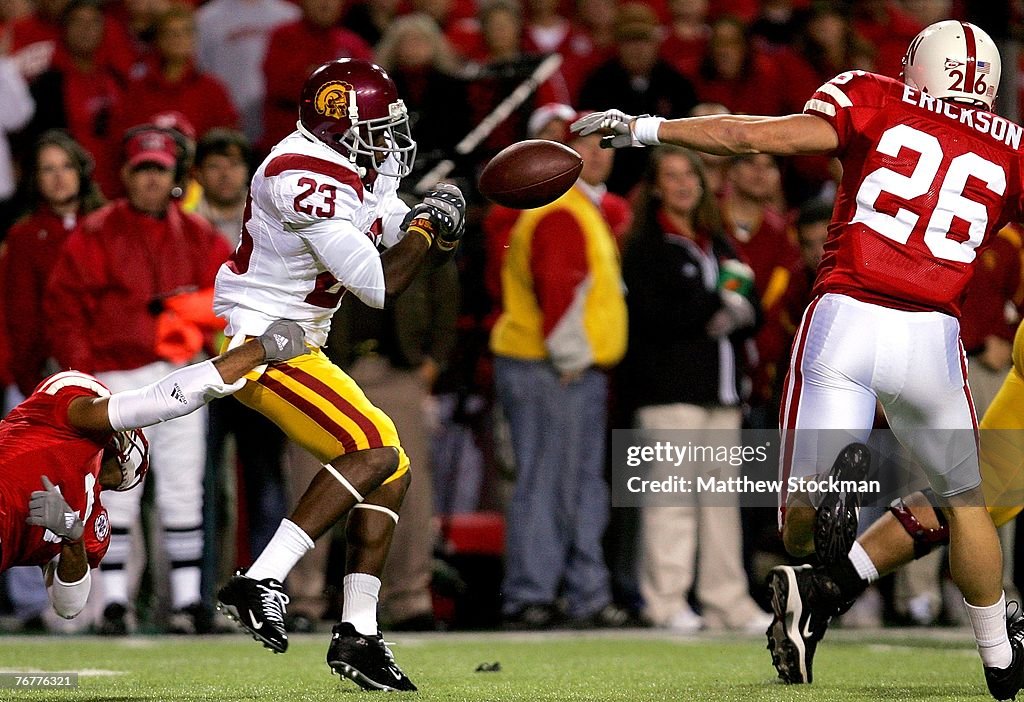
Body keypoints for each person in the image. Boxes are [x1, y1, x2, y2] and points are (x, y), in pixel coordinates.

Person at [573, 19, 1024, 700]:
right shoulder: (1014, 146)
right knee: (967, 505)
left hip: (850, 312)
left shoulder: (876, 96)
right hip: (934, 333)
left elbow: (751, 136)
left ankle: (824, 502)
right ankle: (999, 658)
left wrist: (642, 129)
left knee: (796, 524)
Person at [212, 57, 465, 692]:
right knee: (376, 450)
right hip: (264, 345)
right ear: (334, 126)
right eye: (377, 128)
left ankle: (358, 633)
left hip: (301, 344)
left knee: (394, 467)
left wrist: (426, 218)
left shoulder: (349, 170)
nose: (388, 141)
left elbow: (389, 227)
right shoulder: (300, 174)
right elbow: (380, 282)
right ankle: (261, 578)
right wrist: (430, 228)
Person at [44, 123, 232, 635]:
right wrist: (86, 378)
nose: (151, 179)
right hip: (117, 378)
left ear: (175, 175)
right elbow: (65, 309)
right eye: (142, 169)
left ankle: (189, 602)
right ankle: (113, 602)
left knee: (182, 487)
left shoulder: (200, 237)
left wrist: (200, 335)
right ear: (127, 175)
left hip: (183, 375)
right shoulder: (97, 231)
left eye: (160, 169)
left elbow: (229, 304)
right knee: (114, 490)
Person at [0, 323, 307, 620]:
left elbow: (69, 606)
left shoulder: (90, 514)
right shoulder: (66, 417)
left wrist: (72, 537)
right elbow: (160, 401)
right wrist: (258, 350)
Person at [618, 145, 767, 633]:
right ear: (657, 186)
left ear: (703, 184)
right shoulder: (644, 245)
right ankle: (666, 602)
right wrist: (716, 305)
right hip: (668, 395)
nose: (684, 184)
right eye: (672, 176)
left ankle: (729, 601)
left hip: (722, 395)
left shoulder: (715, 240)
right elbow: (654, 318)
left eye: (691, 176)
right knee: (671, 503)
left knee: (722, 506)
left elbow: (753, 308)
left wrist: (734, 310)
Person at [489, 119, 629, 630]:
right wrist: (570, 356)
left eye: (606, 146)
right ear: (560, 155)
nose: (597, 155)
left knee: (571, 483)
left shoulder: (577, 208)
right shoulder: (563, 209)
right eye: (585, 146)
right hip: (553, 366)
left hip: (563, 366)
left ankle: (579, 591)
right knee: (550, 482)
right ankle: (534, 594)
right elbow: (560, 286)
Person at [3, 130, 104, 399]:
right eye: (48, 169)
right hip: (43, 375)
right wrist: (26, 376)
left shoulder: (108, 225)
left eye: (66, 166)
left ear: (80, 171)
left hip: (112, 365)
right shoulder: (23, 237)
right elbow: (18, 313)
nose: (59, 177)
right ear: (36, 178)